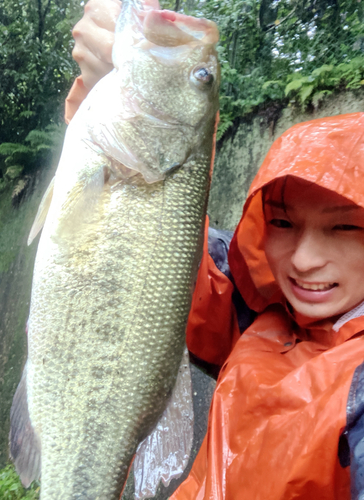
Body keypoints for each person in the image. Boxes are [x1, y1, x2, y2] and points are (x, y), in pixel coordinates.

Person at [66, 1, 364, 498]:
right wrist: (105, 92)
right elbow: (158, 250)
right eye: (283, 222)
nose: (305, 259)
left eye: (346, 229)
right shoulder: (260, 313)